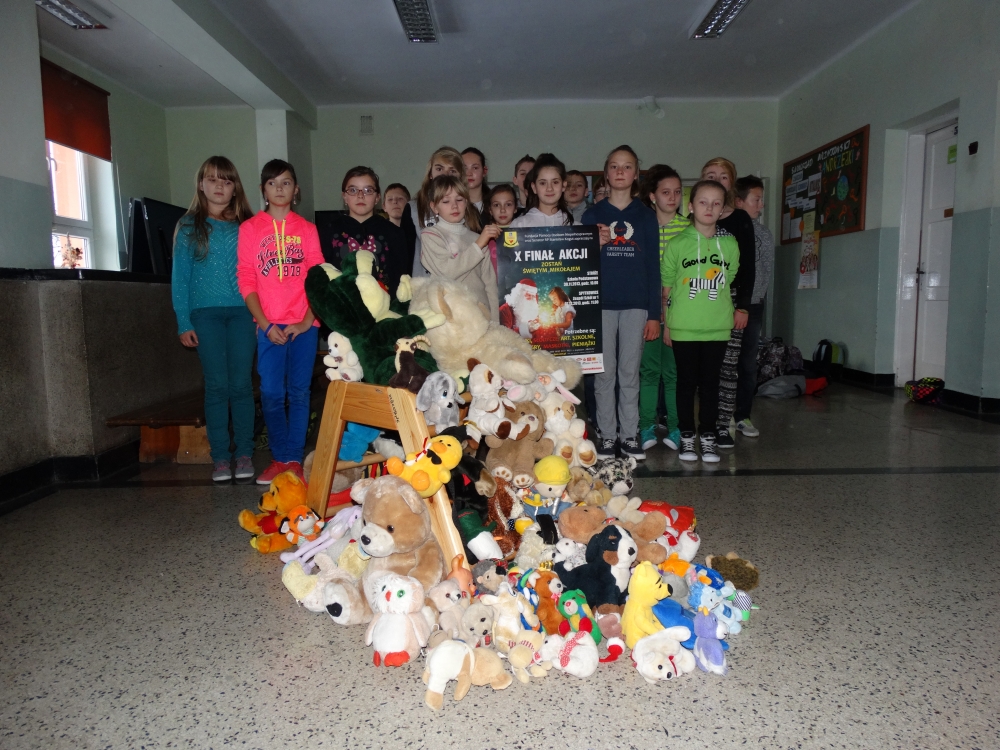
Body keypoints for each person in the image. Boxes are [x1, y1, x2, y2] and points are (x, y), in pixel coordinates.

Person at [237, 159, 323, 485]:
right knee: (272, 393)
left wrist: (306, 321)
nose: (279, 189)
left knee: (299, 393)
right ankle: (279, 458)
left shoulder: (308, 230)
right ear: (263, 190)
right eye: (272, 183)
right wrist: (265, 324)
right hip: (268, 326)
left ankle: (294, 460)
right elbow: (246, 279)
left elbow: (318, 279)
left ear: (295, 189)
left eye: (286, 182)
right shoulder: (250, 229)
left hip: (304, 326)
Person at [171, 156, 256, 483]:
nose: (220, 186)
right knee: (217, 385)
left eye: (227, 180)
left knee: (241, 385)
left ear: (235, 188)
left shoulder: (247, 225)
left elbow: (258, 274)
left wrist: (262, 317)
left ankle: (244, 452)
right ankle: (220, 457)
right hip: (204, 316)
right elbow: (180, 278)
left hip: (243, 314)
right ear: (201, 185)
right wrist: (184, 321)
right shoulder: (189, 226)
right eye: (213, 179)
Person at [582, 145, 660, 461]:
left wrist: (654, 314)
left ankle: (629, 436)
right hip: (600, 305)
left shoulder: (646, 216)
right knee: (604, 375)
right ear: (606, 172)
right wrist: (596, 245)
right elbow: (581, 263)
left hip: (636, 306)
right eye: (614, 166)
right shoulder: (592, 215)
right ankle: (607, 436)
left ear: (635, 174)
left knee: (629, 373)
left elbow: (653, 266)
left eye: (627, 166)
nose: (620, 171)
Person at [660, 180, 740, 464]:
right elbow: (667, 288)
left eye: (716, 203)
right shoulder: (677, 244)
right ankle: (686, 435)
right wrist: (668, 325)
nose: (709, 208)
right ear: (691, 206)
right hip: (684, 327)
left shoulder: (730, 245)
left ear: (722, 209)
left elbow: (729, 278)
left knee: (710, 385)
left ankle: (707, 435)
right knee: (685, 384)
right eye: (703, 202)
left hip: (717, 327)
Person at [701, 157, 754, 449]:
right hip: (698, 301)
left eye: (723, 176)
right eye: (711, 175)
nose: (717, 180)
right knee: (701, 368)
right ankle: (702, 425)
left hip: (730, 301)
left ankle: (722, 426)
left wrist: (743, 306)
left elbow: (748, 269)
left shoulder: (741, 219)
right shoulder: (694, 220)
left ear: (731, 182)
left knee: (727, 367)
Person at [637, 164, 688, 454]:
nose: (672, 197)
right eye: (666, 192)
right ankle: (646, 425)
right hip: (648, 314)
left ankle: (677, 427)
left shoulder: (690, 230)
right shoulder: (643, 227)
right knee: (648, 372)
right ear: (653, 196)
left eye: (677, 192)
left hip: (678, 315)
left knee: (673, 373)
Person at [419, 174, 500, 321]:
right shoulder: (430, 235)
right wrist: (478, 245)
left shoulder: (477, 238)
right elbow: (446, 273)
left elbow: (490, 287)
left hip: (480, 318)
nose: (454, 206)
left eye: (459, 199)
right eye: (446, 201)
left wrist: (495, 322)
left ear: (466, 202)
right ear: (434, 207)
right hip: (450, 320)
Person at [319, 166, 408, 296]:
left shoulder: (394, 233)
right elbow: (322, 277)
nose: (360, 196)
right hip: (341, 304)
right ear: (344, 196)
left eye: (368, 190)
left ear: (377, 197)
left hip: (383, 305)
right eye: (353, 190)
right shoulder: (328, 231)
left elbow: (401, 280)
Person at [732, 174, 773, 439]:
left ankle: (743, 415)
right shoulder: (725, 228)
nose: (761, 205)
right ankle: (718, 417)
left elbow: (764, 273)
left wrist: (748, 305)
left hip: (752, 305)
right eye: (756, 200)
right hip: (723, 304)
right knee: (722, 364)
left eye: (761, 200)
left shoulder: (764, 234)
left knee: (747, 363)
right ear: (739, 201)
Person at [403, 146, 465, 278]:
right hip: (424, 283)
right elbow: (406, 255)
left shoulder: (468, 208)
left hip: (460, 284)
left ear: (460, 176)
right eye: (439, 169)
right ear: (430, 174)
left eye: (452, 170)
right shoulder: (413, 209)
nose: (445, 174)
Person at [509, 153, 574, 228]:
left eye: (555, 182)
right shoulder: (520, 225)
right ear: (534, 187)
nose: (549, 188)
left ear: (563, 185)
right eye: (543, 183)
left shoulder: (576, 227)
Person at [462, 147, 490, 222]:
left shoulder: (494, 202)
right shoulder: (454, 205)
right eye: (464, 168)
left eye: (475, 168)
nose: (469, 173)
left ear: (484, 171)